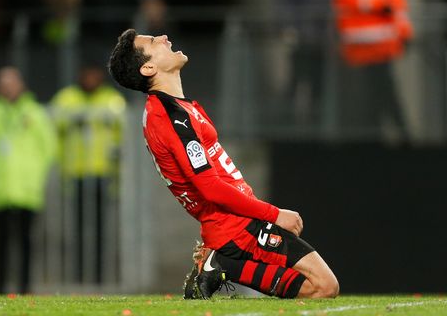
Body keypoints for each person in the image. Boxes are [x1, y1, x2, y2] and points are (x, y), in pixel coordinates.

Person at [107, 29, 339, 299]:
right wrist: (274, 214)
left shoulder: (179, 109)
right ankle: (222, 264)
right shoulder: (169, 117)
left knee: (321, 286)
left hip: (237, 221)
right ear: (148, 68)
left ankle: (220, 266)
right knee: (324, 287)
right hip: (233, 226)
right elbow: (210, 187)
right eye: (152, 42)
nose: (163, 38)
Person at [325, 0, 413, 138]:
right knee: (360, 102)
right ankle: (367, 143)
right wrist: (379, 4)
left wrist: (405, 31)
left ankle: (400, 140)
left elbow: (397, 0)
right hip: (357, 49)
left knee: (387, 96)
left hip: (385, 46)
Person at [0, 67, 57, 293]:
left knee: (26, 242)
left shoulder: (35, 114)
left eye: (12, 82)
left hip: (27, 189)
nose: (8, 87)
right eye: (4, 83)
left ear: (21, 85)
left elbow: (49, 148)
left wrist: (35, 174)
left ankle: (24, 288)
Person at [51, 65, 126, 283]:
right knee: (76, 231)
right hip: (75, 174)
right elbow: (55, 122)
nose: (91, 78)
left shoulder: (112, 100)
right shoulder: (67, 98)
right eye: (87, 74)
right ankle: (78, 276)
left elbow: (124, 132)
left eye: (94, 74)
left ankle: (99, 276)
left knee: (102, 231)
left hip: (103, 174)